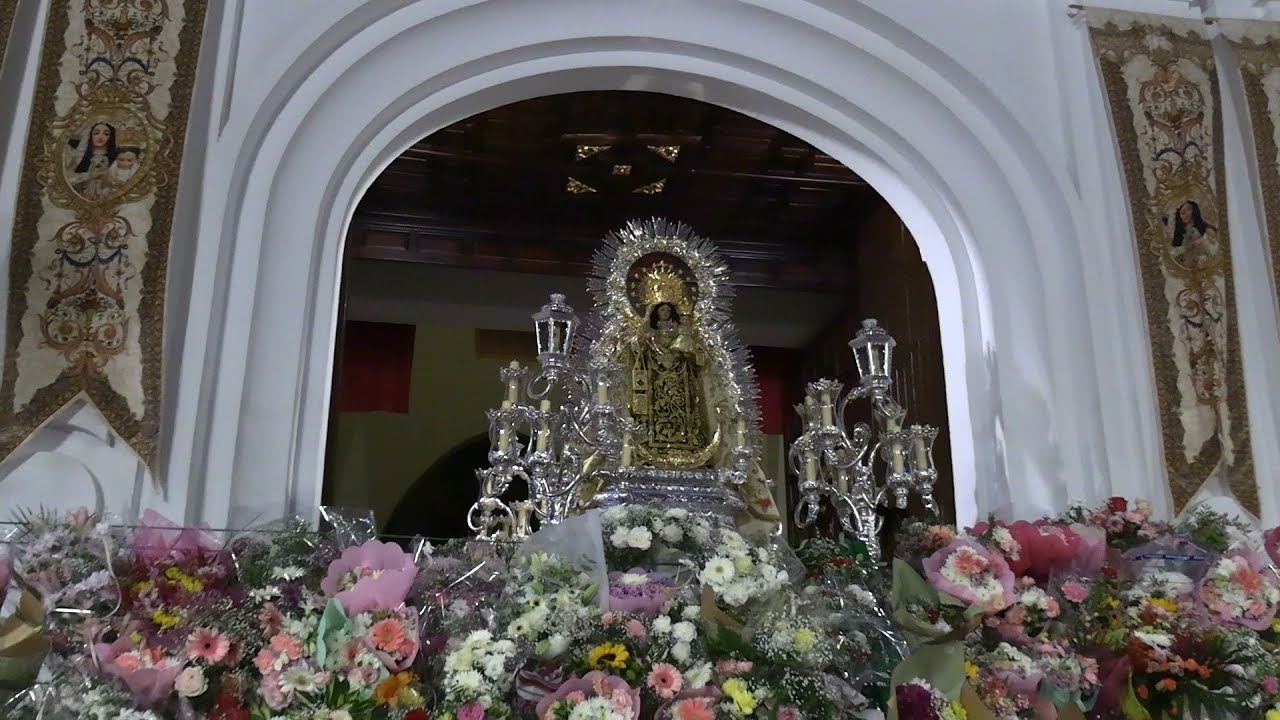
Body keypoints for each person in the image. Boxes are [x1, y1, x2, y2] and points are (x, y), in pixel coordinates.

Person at [67, 122, 116, 198]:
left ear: (111, 136)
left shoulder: (115, 157)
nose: (100, 137)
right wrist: (89, 176)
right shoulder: (79, 157)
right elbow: (68, 178)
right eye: (96, 133)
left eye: (106, 134)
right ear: (90, 135)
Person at [1170, 200, 1219, 268]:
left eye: (1189, 209)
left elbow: (1213, 243)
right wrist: (1187, 248)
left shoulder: (1206, 228)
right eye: (1183, 213)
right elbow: (1175, 252)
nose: (1187, 214)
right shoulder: (1180, 235)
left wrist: (1203, 240)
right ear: (1180, 218)